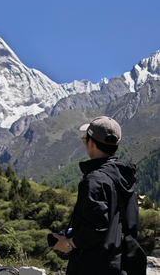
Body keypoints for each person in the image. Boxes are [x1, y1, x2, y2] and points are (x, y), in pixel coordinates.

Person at [53, 116, 139, 275]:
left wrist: (69, 244)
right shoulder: (125, 177)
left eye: (85, 138)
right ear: (117, 145)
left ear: (90, 143)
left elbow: (94, 228)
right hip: (119, 265)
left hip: (93, 266)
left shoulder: (94, 181)